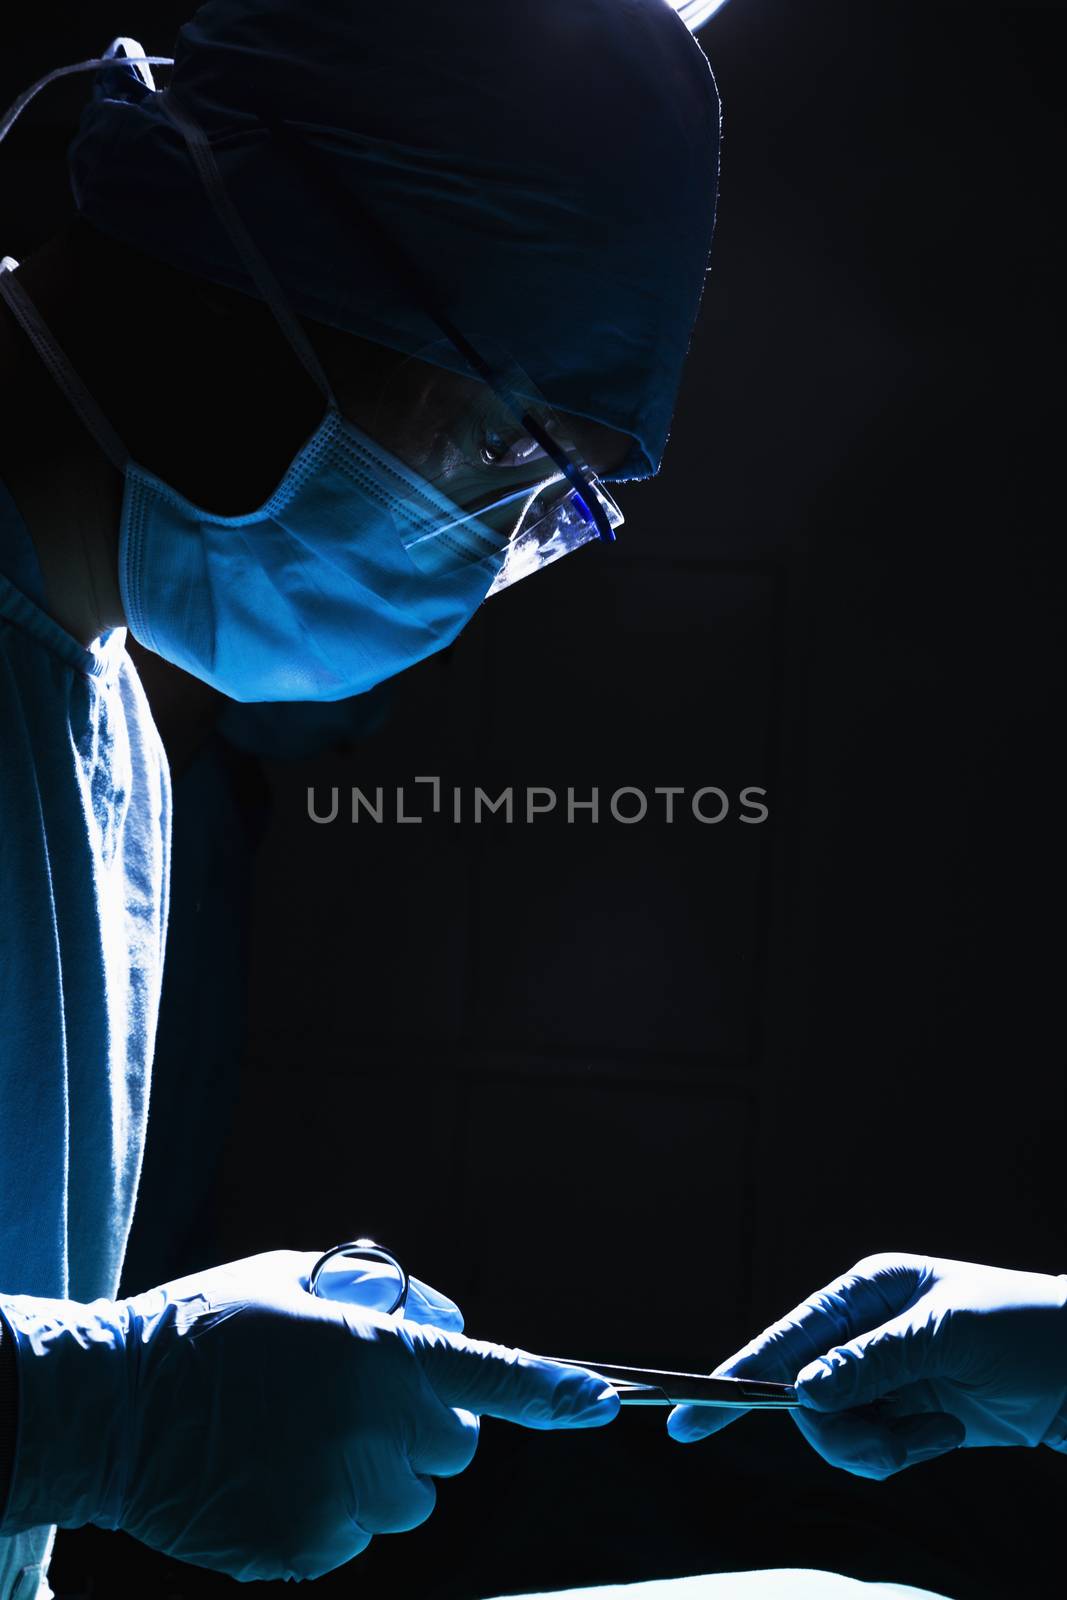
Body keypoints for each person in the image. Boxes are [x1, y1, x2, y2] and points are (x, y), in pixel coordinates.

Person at [0, 2, 720, 1593]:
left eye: (554, 515)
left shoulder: (101, 722)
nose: (485, 554)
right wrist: (89, 1413)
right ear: (261, 267)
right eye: (501, 455)